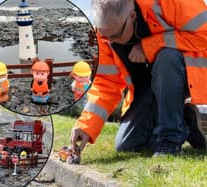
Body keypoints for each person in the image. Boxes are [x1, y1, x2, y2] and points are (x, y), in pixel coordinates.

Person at [71, 0, 207, 156]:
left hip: (187, 75)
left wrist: (149, 46)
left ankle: (170, 139)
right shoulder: (106, 33)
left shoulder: (173, 2)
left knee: (166, 57)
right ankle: (185, 119)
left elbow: (205, 33)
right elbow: (106, 84)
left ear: (132, 15)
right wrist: (86, 126)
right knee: (128, 145)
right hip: (148, 87)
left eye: (115, 35)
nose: (111, 42)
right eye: (105, 36)